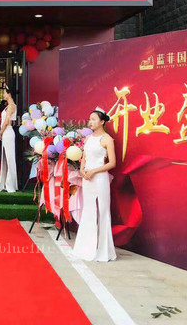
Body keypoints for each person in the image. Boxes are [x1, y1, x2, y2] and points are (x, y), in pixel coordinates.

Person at [72, 107, 117, 262]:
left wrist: (94, 171)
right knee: (88, 210)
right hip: (87, 179)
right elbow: (84, 157)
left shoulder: (107, 139)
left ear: (102, 121)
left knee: (103, 212)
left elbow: (112, 163)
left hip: (100, 178)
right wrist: (82, 170)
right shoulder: (88, 138)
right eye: (89, 119)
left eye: (93, 119)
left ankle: (104, 251)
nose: (90, 122)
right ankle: (85, 248)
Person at [0, 83, 18, 192]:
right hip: (7, 132)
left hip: (8, 132)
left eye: (4, 92)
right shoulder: (9, 106)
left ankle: (10, 184)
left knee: (9, 158)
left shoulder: (11, 106)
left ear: (9, 94)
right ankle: (5, 183)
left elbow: (6, 121)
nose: (3, 94)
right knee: (5, 158)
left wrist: (0, 132)